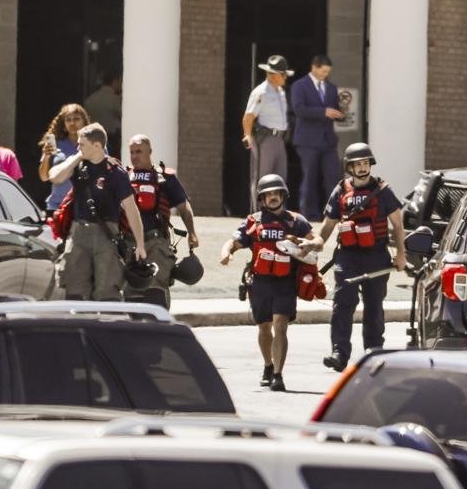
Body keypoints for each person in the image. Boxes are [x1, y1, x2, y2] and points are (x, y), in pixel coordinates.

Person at [219, 174, 322, 392]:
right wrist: (227, 252)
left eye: (277, 193)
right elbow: (235, 241)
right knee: (264, 329)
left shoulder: (296, 221)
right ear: (262, 198)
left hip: (285, 283)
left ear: (283, 195)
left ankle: (278, 375)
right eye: (268, 194)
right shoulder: (253, 221)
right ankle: (268, 365)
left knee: (280, 327)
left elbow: (318, 242)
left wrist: (309, 244)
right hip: (260, 283)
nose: (273, 197)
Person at [315, 143, 407, 372]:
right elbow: (328, 224)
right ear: (350, 167)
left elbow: (398, 225)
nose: (363, 168)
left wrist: (401, 255)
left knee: (374, 307)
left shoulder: (383, 191)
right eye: (358, 164)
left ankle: (373, 354)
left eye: (366, 163)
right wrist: (317, 243)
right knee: (342, 303)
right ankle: (339, 353)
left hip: (376, 256)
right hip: (348, 257)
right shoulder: (340, 190)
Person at [48, 123, 146, 301]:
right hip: (79, 232)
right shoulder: (78, 166)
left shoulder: (116, 173)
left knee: (107, 290)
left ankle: (106, 325)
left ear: (97, 146)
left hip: (107, 235)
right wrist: (78, 155)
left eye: (82, 144)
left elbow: (131, 210)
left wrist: (140, 244)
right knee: (75, 287)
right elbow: (55, 176)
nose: (78, 148)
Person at [122, 134, 200, 309]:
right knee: (132, 294)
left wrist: (192, 233)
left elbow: (183, 207)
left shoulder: (164, 177)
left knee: (155, 292)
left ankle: (158, 332)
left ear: (150, 151)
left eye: (139, 151)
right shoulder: (123, 176)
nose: (135, 156)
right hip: (129, 244)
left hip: (157, 242)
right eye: (132, 152)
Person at [290, 54, 344, 220]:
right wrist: (323, 112)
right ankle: (309, 215)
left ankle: (334, 213)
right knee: (310, 178)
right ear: (314, 67)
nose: (325, 75)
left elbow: (333, 110)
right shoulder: (299, 86)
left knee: (333, 178)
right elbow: (299, 109)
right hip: (307, 141)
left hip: (328, 141)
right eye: (323, 71)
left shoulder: (332, 88)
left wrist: (340, 114)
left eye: (328, 72)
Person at [243, 55, 292, 207]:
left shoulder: (281, 92)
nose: (285, 78)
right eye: (283, 74)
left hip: (279, 139)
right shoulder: (261, 92)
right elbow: (248, 116)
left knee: (279, 178)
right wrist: (247, 135)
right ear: (274, 75)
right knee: (262, 178)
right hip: (265, 138)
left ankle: (278, 214)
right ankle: (258, 215)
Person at [38, 103, 91, 216]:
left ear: (84, 122)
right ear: (63, 124)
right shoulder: (55, 145)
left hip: (84, 207)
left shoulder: (94, 144)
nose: (72, 123)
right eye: (68, 120)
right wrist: (46, 156)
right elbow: (43, 177)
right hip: (56, 207)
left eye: (76, 119)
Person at [84, 71, 122, 149]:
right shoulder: (115, 99)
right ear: (115, 81)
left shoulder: (90, 99)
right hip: (113, 140)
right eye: (120, 82)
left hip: (93, 139)